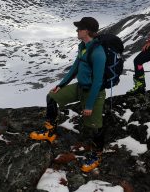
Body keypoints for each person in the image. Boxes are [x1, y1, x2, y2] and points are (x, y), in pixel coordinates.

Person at [30, 17, 106, 172]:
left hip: (94, 92)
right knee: (52, 96)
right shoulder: (83, 46)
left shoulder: (98, 52)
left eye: (79, 28)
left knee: (94, 127)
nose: (77, 30)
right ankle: (50, 131)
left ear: (88, 31)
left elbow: (98, 82)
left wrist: (90, 105)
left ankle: (97, 154)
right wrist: (61, 85)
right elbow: (74, 68)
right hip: (80, 87)